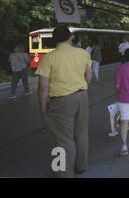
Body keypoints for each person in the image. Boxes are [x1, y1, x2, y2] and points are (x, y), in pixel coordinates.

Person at [35, 25, 92, 178]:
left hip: (61, 102)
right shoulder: (82, 53)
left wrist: (43, 108)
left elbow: (43, 88)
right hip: (82, 97)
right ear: (70, 37)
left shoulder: (49, 58)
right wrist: (83, 89)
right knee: (81, 133)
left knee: (64, 139)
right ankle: (81, 166)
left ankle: (66, 174)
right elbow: (88, 75)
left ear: (54, 40)